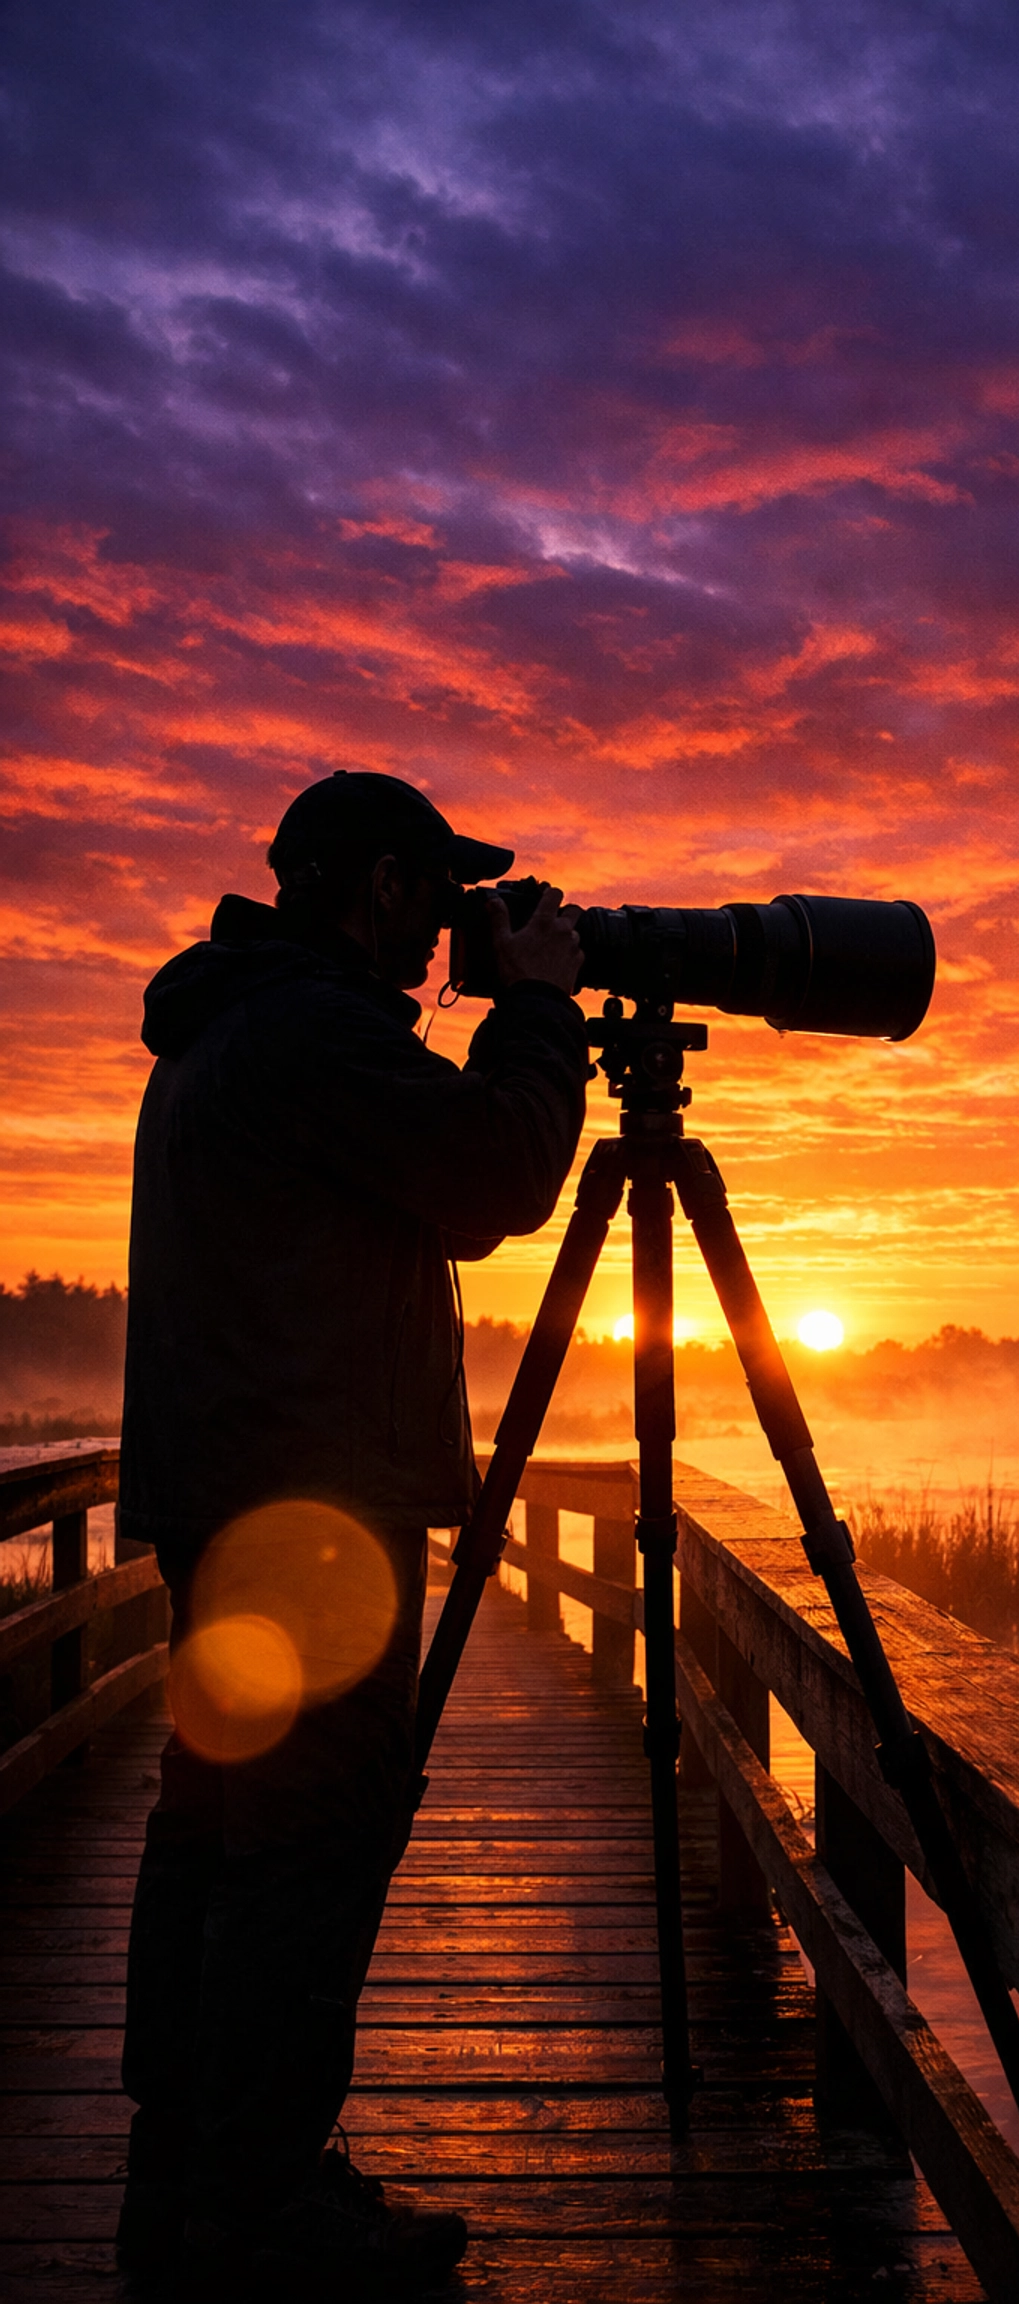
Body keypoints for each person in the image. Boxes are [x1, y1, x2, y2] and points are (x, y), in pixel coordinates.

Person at [115, 771, 589, 2281]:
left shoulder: (220, 1028)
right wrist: (535, 1009)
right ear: (377, 887)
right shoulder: (306, 1031)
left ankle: (186, 2164)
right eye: (437, 894)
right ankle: (258, 2212)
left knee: (217, 1834)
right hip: (311, 1519)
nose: (451, 925)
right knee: (305, 1848)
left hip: (231, 1502)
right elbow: (493, 1177)